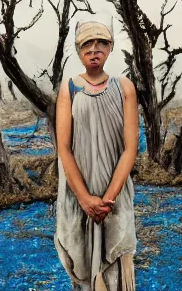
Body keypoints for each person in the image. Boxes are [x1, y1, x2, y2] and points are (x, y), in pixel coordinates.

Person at [54, 21, 139, 291]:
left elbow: (130, 148)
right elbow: (64, 148)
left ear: (111, 47)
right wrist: (84, 199)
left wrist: (107, 199)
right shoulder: (70, 88)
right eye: (87, 45)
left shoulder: (124, 87)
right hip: (79, 190)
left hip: (114, 191)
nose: (94, 50)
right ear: (79, 51)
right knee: (84, 262)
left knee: (115, 260)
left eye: (101, 43)